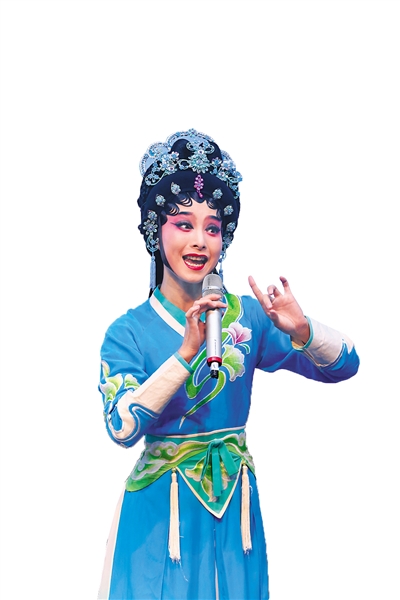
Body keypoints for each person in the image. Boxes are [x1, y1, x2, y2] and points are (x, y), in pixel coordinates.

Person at [97, 129, 360, 600]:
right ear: (155, 231)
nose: (200, 241)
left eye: (213, 228)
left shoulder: (245, 319)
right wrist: (185, 354)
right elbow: (121, 428)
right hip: (162, 514)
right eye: (183, 224)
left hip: (234, 509)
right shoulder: (128, 332)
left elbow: (345, 365)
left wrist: (302, 330)